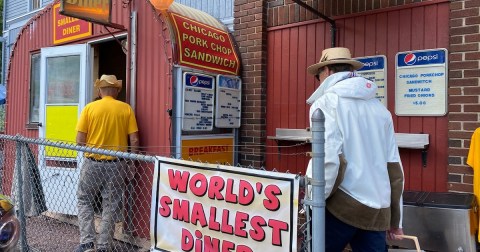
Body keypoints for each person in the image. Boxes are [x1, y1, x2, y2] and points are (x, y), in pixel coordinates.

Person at [305, 47, 404, 251]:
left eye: (318, 75)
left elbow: (329, 160)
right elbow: (394, 168)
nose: (318, 80)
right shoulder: (380, 109)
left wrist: (313, 202)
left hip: (341, 208)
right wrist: (396, 220)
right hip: (378, 212)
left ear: (328, 71)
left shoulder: (326, 103)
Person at [74, 74, 139, 252]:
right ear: (116, 91)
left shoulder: (89, 108)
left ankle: (87, 243)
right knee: (110, 205)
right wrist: (132, 163)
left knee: (84, 199)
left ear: (100, 90)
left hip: (92, 163)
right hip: (117, 165)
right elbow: (134, 140)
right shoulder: (126, 109)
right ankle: (104, 247)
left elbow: (79, 140)